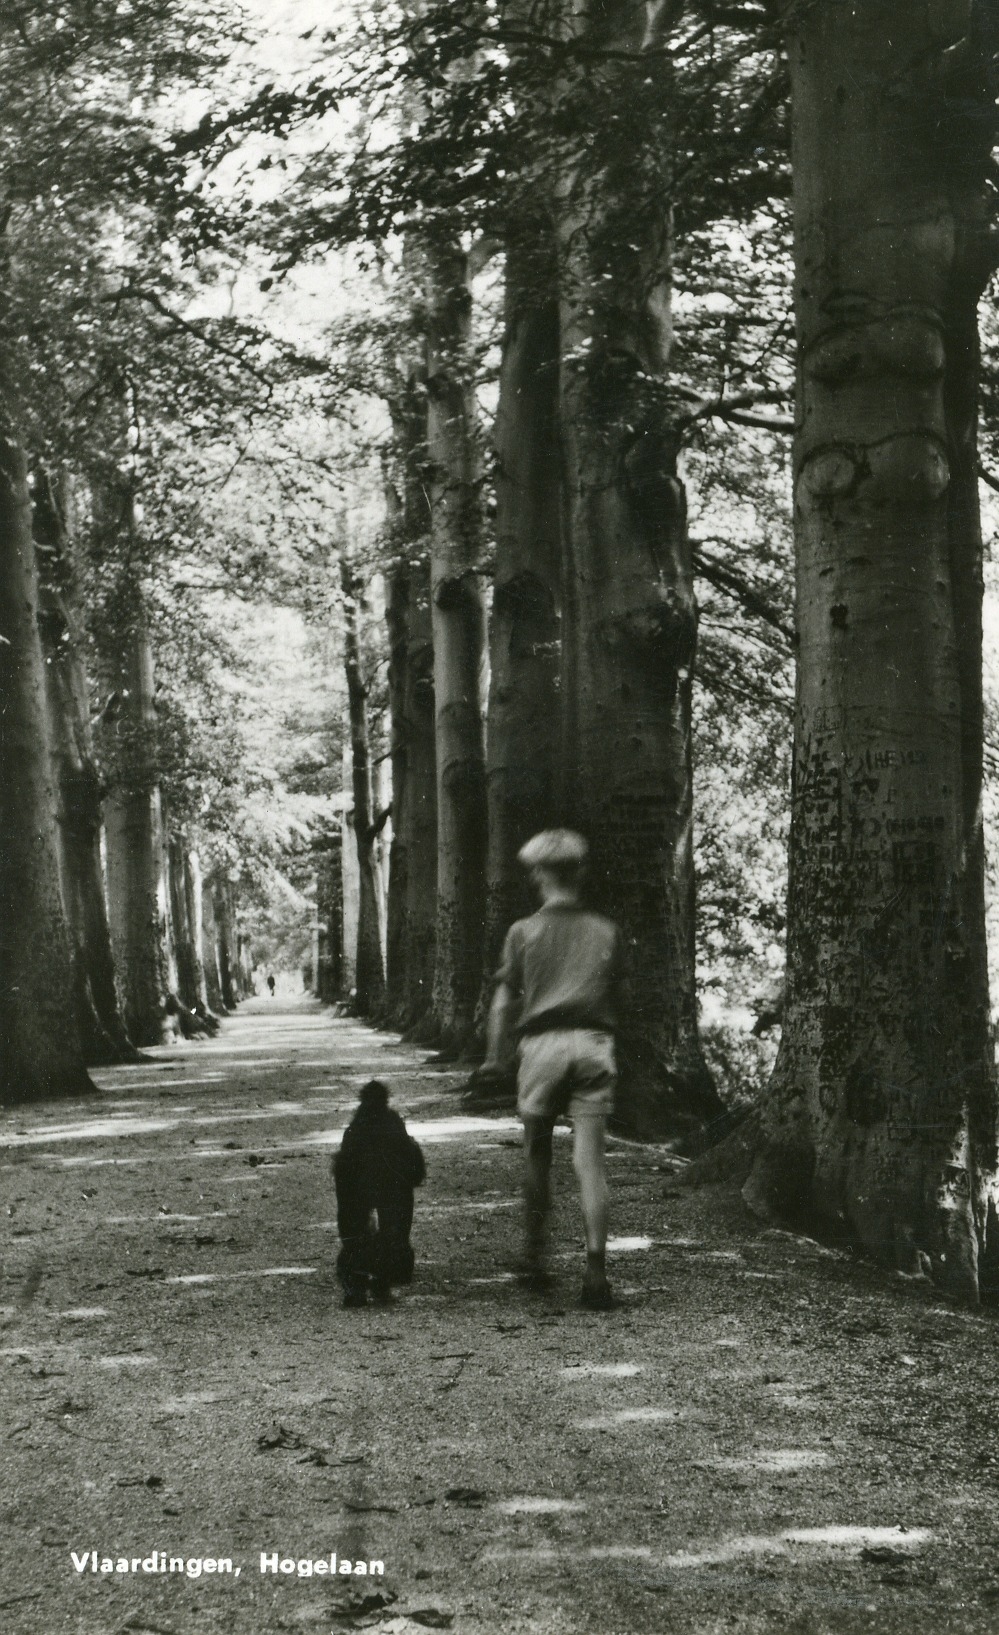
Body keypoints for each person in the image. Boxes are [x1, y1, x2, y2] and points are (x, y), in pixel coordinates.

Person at [482, 829, 623, 1312]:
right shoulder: (606, 930)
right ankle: (596, 1271)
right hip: (593, 1045)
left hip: (541, 1047)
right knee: (590, 1164)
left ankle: (536, 1256)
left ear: (538, 875)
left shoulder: (523, 931)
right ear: (580, 872)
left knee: (536, 1154)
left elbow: (503, 1003)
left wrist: (494, 1057)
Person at [332, 1080, 426, 1308]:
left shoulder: (355, 1129)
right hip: (390, 1183)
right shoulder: (393, 1124)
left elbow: (343, 1170)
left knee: (355, 1230)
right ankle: (383, 1277)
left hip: (359, 1183)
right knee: (393, 1229)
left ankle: (357, 1281)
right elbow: (412, 1165)